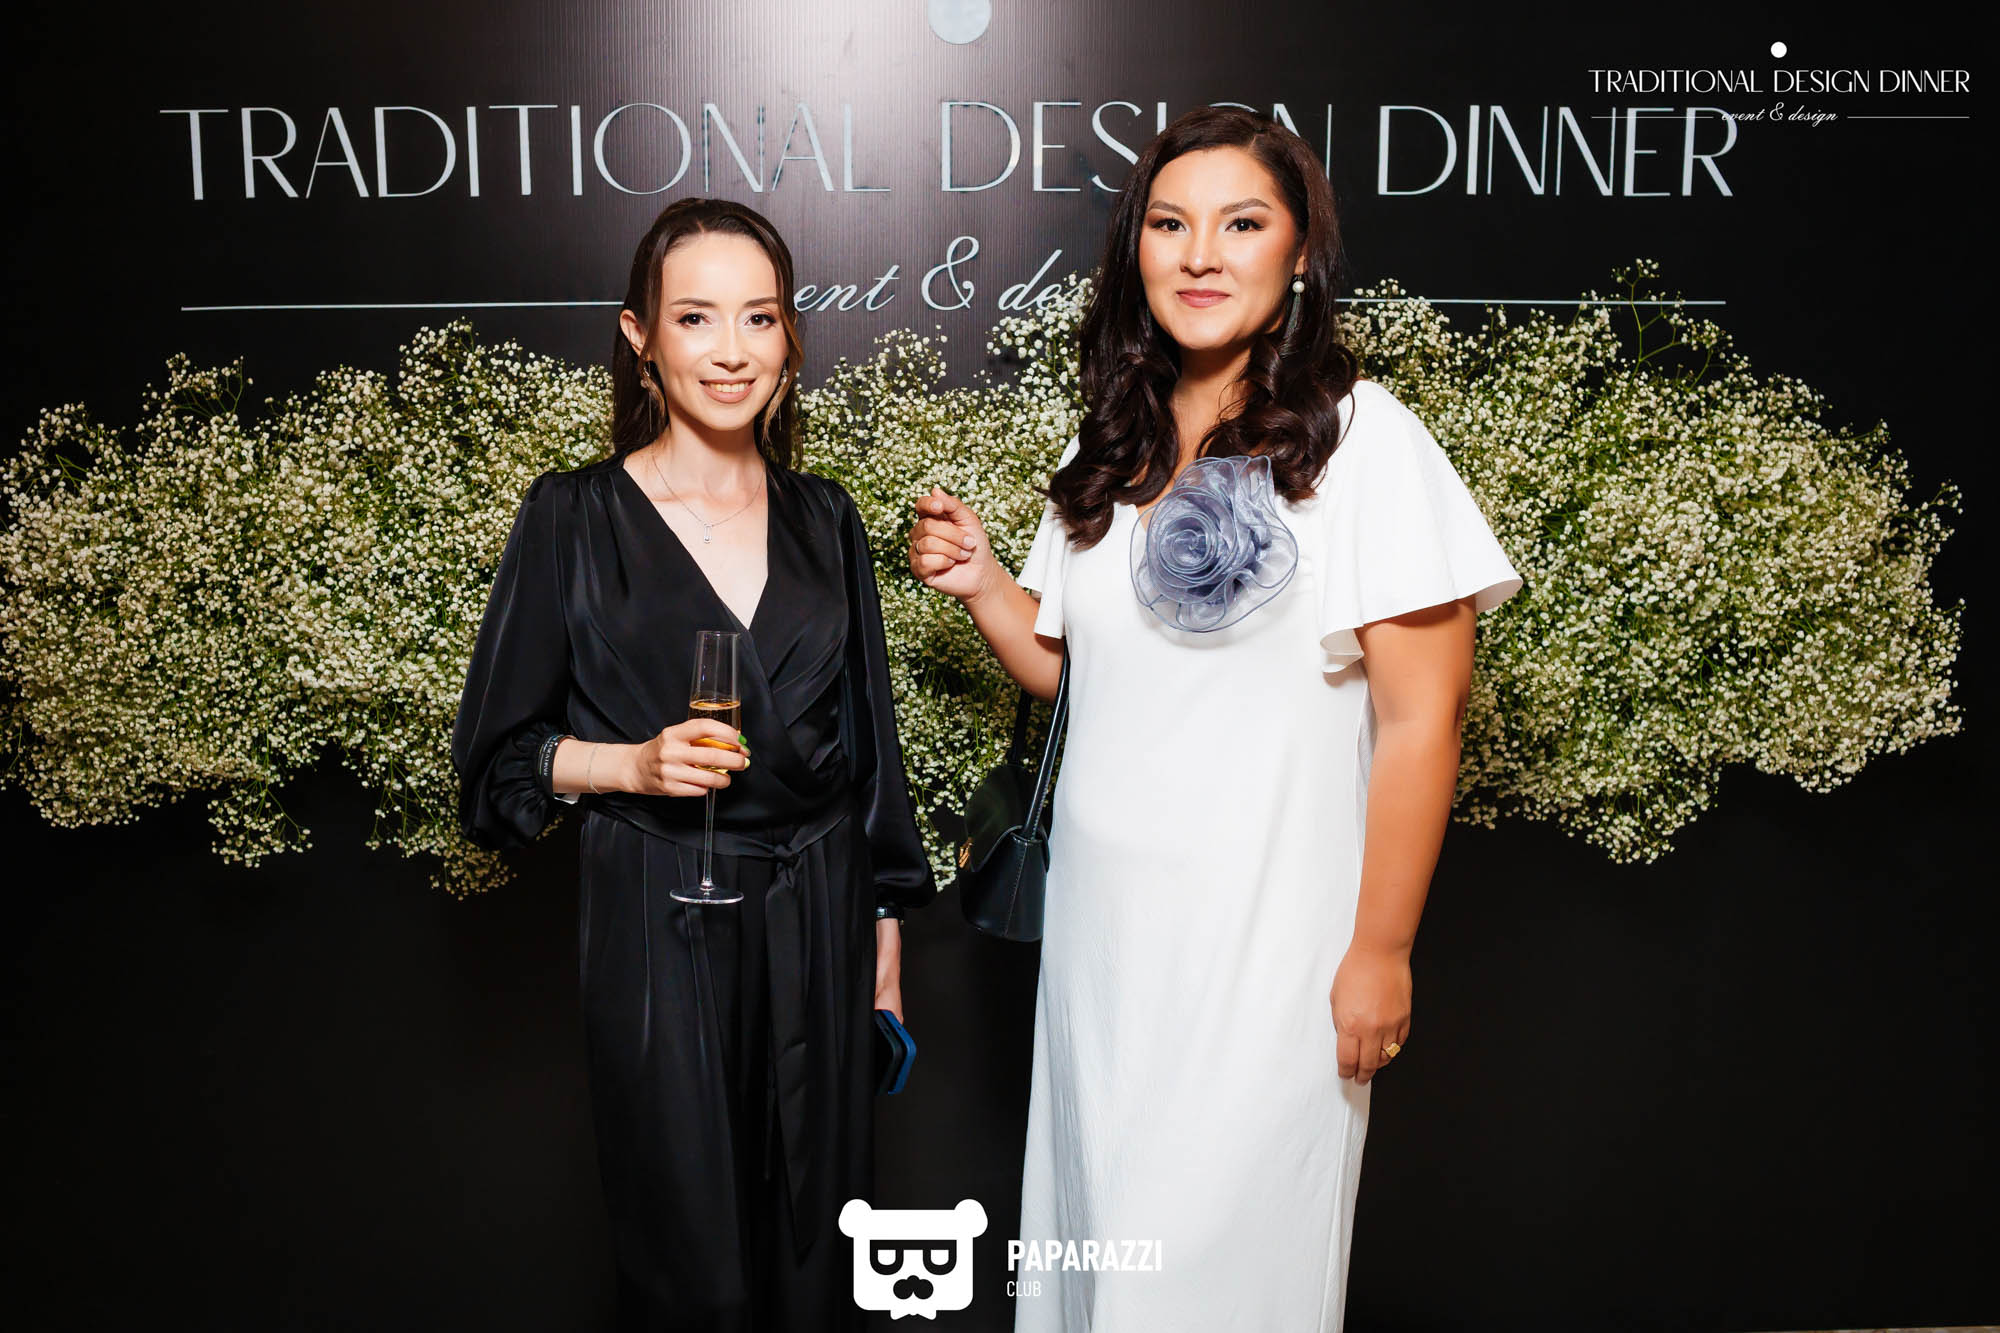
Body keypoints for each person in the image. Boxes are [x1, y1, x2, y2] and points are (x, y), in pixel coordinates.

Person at [907, 107, 1522, 1330]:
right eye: (1168, 224)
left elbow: (1422, 718)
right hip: (1105, 947)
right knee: (1104, 1254)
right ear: (1133, 249)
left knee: (1216, 1280)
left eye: (1240, 224)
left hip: (1266, 954)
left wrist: (1380, 951)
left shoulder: (1364, 438)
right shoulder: (1112, 438)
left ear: (1296, 255)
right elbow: (1071, 674)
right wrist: (983, 585)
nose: (1199, 254)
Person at [453, 196, 936, 1331]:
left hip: (820, 915)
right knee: (693, 1265)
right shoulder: (573, 517)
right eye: (696, 317)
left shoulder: (826, 518)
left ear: (789, 338)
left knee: (819, 1253)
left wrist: (882, 949)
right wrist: (631, 765)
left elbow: (868, 752)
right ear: (640, 336)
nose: (731, 351)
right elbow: (494, 769)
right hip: (658, 917)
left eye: (759, 318)